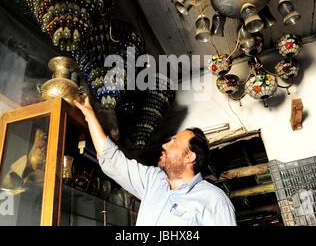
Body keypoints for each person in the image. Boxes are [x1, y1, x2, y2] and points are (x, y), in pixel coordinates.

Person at [74, 96, 237, 226]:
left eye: (174, 142)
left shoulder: (214, 200)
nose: (165, 145)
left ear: (189, 157)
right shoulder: (152, 180)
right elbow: (112, 160)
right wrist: (90, 116)